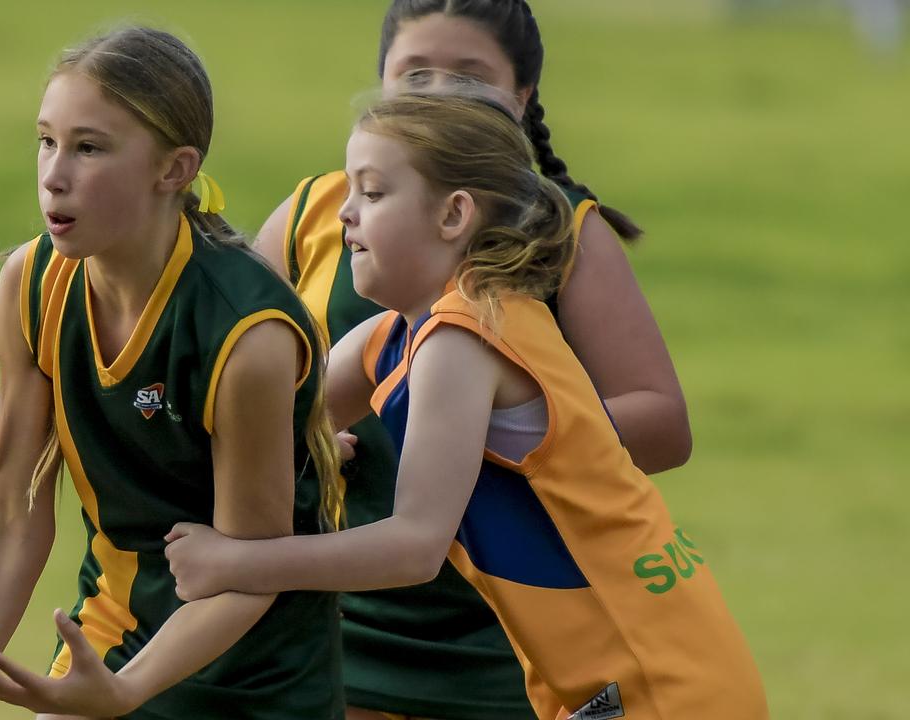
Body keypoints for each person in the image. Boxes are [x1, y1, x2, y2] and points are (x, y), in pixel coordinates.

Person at [164, 87, 768, 720]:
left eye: (372, 193)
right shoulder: (400, 333)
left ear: (454, 215)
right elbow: (265, 418)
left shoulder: (463, 337)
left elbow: (413, 547)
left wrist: (238, 562)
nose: (344, 213)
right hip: (628, 676)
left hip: (656, 684)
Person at [251, 3, 690, 718]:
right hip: (330, 615)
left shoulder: (559, 232)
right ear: (381, 82)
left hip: (511, 638)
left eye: (471, 76)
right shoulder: (320, 213)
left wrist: (495, 435)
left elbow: (663, 423)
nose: (439, 93)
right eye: (416, 72)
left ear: (521, 99)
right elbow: (239, 390)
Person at [0, 26, 344, 720]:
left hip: (254, 680)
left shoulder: (244, 335)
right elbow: (12, 513)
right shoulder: (36, 281)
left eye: (89, 147)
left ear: (175, 169)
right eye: (46, 140)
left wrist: (126, 694)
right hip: (111, 635)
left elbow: (248, 575)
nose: (54, 173)